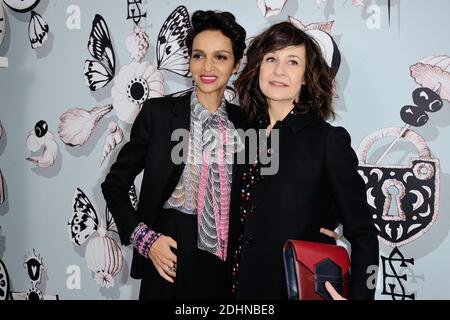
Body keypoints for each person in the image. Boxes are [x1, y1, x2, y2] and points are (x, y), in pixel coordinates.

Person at [101, 10, 246, 300]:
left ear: (236, 64)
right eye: (198, 55)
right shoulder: (158, 114)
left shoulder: (247, 123)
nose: (207, 66)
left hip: (227, 264)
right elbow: (114, 185)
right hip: (169, 251)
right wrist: (146, 240)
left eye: (220, 57)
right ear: (189, 60)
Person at [231, 21, 379, 300]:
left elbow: (364, 234)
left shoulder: (326, 141)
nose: (279, 70)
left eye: (293, 62)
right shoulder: (242, 136)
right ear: (257, 68)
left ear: (306, 77)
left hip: (291, 290)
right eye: (271, 58)